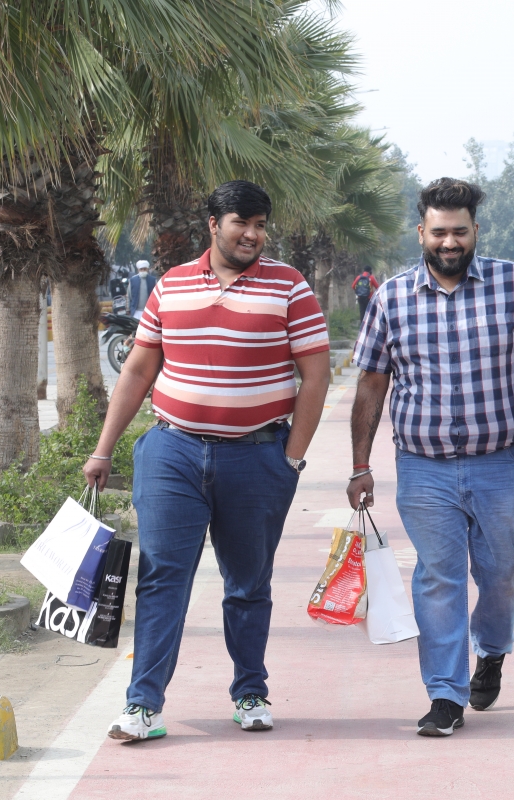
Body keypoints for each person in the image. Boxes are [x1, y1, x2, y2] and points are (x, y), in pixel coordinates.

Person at [83, 180, 331, 742]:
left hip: (257, 457)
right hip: (171, 452)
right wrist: (104, 449)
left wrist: (290, 459)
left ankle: (250, 692)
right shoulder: (170, 286)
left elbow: (314, 377)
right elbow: (139, 371)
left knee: (248, 583)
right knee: (163, 577)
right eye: (242, 222)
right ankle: (143, 705)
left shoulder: (289, 287)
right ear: (213, 224)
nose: (253, 234)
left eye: (261, 224)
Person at [348, 178, 514, 737]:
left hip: (501, 462)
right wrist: (360, 463)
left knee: (503, 572)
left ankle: (490, 649)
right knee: (439, 577)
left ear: (475, 232)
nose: (449, 241)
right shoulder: (391, 297)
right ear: (422, 232)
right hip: (424, 468)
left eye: (459, 231)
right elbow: (371, 384)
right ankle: (445, 693)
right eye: (438, 231)